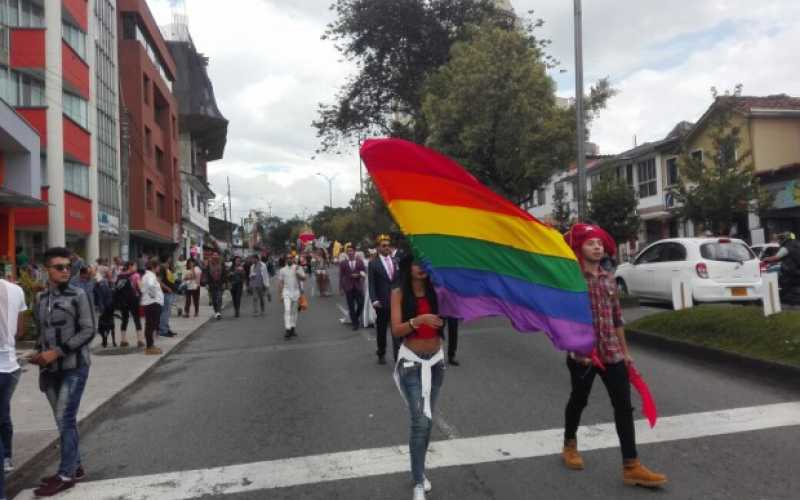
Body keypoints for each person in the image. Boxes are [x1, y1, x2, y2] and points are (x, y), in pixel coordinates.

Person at [561, 223, 667, 487]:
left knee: (623, 406)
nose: (597, 247)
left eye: (599, 243)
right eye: (590, 243)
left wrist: (626, 352)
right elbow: (564, 320)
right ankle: (569, 443)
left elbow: (617, 319)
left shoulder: (608, 278)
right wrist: (576, 350)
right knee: (579, 400)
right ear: (578, 248)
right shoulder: (570, 280)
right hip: (583, 355)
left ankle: (631, 465)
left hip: (611, 352)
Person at [29, 247, 95, 497]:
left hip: (74, 367)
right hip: (49, 370)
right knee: (61, 420)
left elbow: (88, 331)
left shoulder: (79, 294)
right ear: (48, 270)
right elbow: (41, 333)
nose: (65, 271)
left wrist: (55, 352)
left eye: (68, 266)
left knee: (65, 418)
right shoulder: (41, 299)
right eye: (59, 267)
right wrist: (37, 353)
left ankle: (66, 474)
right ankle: (75, 467)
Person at [390, 255, 445, 500]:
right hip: (411, 362)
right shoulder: (399, 293)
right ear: (407, 267)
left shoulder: (438, 290)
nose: (422, 267)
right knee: (420, 422)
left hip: (436, 363)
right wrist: (419, 320)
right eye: (416, 263)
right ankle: (418, 481)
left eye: (425, 263)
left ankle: (420, 470)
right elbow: (396, 329)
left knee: (428, 420)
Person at [0, 274, 26, 497]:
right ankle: (7, 457)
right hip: (10, 367)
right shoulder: (16, 290)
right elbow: (20, 330)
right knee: (3, 414)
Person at [369, 236, 399, 364]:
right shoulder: (373, 263)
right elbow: (371, 284)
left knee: (397, 330)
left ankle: (398, 356)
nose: (387, 247)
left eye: (388, 245)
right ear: (378, 248)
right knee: (381, 330)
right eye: (384, 245)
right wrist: (374, 300)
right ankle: (381, 352)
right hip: (382, 302)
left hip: (396, 301)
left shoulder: (396, 260)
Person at [115, 262, 143, 348]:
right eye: (135, 266)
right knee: (136, 319)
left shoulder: (120, 276)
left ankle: (123, 340)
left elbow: (116, 288)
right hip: (133, 299)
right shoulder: (135, 275)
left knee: (124, 319)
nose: (136, 267)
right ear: (130, 267)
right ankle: (140, 340)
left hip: (123, 301)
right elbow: (140, 288)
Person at [277, 256, 305, 339]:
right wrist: (280, 294)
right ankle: (288, 329)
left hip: (296, 293)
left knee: (294, 312)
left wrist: (298, 273)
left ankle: (293, 327)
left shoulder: (298, 268)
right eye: (288, 258)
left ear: (293, 259)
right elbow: (280, 282)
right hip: (286, 292)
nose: (289, 259)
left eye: (291, 258)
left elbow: (304, 278)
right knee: (287, 310)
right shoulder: (282, 270)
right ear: (286, 260)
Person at [139, 259, 163, 355]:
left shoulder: (147, 275)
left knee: (150, 325)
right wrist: (154, 295)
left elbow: (142, 288)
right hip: (153, 303)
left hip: (150, 302)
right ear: (154, 267)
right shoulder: (150, 276)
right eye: (158, 266)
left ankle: (151, 345)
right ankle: (149, 346)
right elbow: (150, 285)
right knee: (151, 325)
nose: (159, 268)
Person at [339, 246, 366, 330]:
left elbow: (364, 272)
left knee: (361, 304)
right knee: (351, 306)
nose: (350, 253)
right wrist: (340, 288)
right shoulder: (343, 263)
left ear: (354, 252)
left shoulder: (360, 262)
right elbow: (341, 276)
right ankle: (355, 323)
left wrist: (358, 275)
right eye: (348, 251)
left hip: (358, 286)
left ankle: (355, 317)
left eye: (351, 251)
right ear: (347, 253)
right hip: (348, 287)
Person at [94, 269, 116, 348]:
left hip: (110, 307)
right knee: (103, 326)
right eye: (110, 274)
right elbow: (101, 297)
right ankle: (104, 340)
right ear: (107, 275)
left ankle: (106, 340)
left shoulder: (110, 283)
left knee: (109, 325)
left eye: (111, 274)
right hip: (105, 307)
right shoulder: (104, 283)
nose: (111, 276)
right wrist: (101, 307)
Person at [158, 258, 177, 337]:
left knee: (167, 312)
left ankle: (166, 328)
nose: (169, 261)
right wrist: (167, 288)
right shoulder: (162, 268)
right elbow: (160, 281)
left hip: (169, 292)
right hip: (165, 293)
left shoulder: (166, 268)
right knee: (165, 312)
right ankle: (163, 330)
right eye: (168, 259)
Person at [204, 255, 227, 320]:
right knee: (214, 299)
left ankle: (219, 312)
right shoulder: (209, 266)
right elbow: (207, 275)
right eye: (214, 258)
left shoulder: (221, 265)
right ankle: (216, 311)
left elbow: (224, 274)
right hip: (212, 284)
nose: (215, 259)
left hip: (220, 283)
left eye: (216, 258)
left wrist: (225, 283)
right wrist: (206, 283)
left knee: (219, 298)